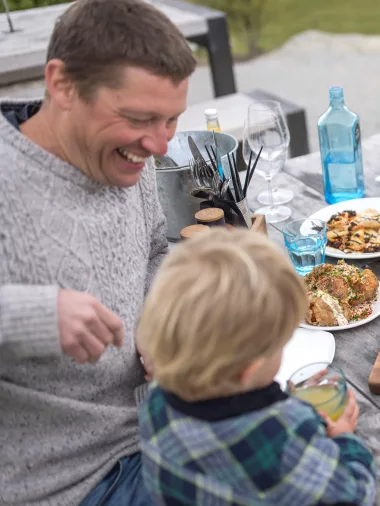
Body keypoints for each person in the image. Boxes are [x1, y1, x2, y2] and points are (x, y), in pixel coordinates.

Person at [0, 0, 196, 504]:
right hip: (70, 481)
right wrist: (32, 314)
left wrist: (157, 317)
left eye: (172, 119)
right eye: (139, 118)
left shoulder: (130, 156)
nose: (160, 144)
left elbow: (155, 250)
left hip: (158, 422)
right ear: (61, 85)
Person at [137, 228, 378, 505]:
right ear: (249, 369)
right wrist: (346, 438)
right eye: (280, 344)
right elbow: (353, 495)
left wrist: (286, 399)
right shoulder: (280, 437)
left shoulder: (154, 402)